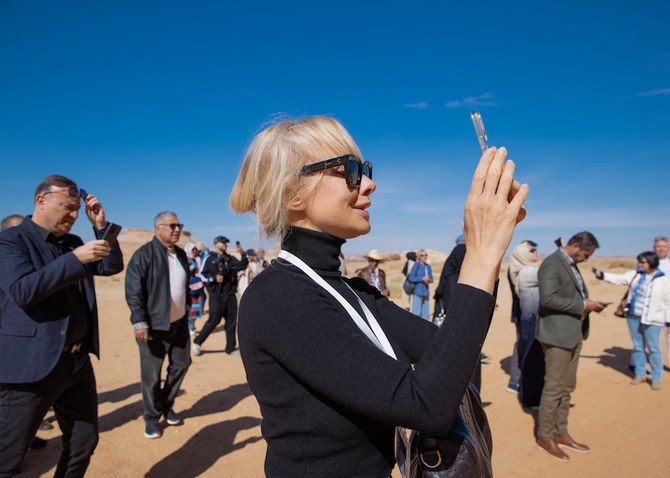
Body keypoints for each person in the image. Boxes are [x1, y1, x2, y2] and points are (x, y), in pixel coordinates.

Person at [229, 115, 527, 476]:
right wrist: (480, 254)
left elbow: (451, 353)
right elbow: (425, 405)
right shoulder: (277, 297)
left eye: (365, 170)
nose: (369, 184)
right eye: (350, 171)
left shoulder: (350, 291)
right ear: (291, 194)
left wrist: (489, 249)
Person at [0, 175, 124, 476]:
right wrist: (75, 260)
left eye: (77, 210)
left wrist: (101, 227)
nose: (73, 215)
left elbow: (111, 266)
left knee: (83, 442)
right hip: (32, 365)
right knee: (8, 457)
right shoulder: (11, 241)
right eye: (67, 207)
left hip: (76, 363)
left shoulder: (72, 243)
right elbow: (22, 291)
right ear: (41, 201)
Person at [535, 231, 608, 461]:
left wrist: (588, 304)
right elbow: (547, 298)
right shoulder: (552, 263)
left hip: (573, 334)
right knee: (554, 388)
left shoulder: (570, 264)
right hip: (557, 337)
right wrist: (583, 305)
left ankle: (560, 431)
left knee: (567, 387)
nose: (587, 258)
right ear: (575, 246)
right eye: (586, 253)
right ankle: (545, 436)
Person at [124, 211, 191, 439]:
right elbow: (133, 290)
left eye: (179, 225)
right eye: (172, 225)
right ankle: (152, 418)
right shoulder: (143, 255)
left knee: (182, 364)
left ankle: (166, 405)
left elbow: (184, 284)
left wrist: (187, 306)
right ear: (157, 229)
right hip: (153, 326)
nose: (177, 229)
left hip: (179, 324)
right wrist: (139, 321)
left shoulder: (180, 254)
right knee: (152, 376)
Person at [592, 251, 669, 390]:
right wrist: (600, 274)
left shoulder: (664, 280)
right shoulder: (635, 275)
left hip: (653, 319)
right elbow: (619, 279)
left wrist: (668, 321)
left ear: (652, 262)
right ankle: (640, 373)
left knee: (653, 348)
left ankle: (656, 377)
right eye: (639, 261)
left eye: (643, 262)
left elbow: (668, 303)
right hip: (633, 316)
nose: (640, 264)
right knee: (638, 346)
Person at [192, 236, 248, 356]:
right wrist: (214, 278)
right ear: (216, 243)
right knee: (214, 320)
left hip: (230, 294)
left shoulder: (230, 259)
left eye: (226, 243)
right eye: (222, 242)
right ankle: (197, 342)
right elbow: (201, 276)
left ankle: (230, 348)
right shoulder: (209, 259)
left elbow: (242, 265)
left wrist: (243, 254)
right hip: (216, 295)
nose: (225, 244)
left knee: (231, 322)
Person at [506, 240, 539, 393]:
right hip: (524, 314)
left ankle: (517, 381)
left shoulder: (517, 267)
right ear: (522, 254)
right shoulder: (525, 271)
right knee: (524, 345)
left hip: (521, 313)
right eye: (532, 250)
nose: (536, 252)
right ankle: (517, 381)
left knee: (523, 344)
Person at [653, 236, 670, 363]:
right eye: (658, 246)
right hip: (651, 305)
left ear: (668, 248)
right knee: (649, 336)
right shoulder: (647, 263)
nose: (661, 249)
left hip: (668, 305)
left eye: (664, 246)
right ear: (654, 248)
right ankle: (637, 364)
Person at [184, 242, 205, 336]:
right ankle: (189, 327)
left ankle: (192, 326)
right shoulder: (185, 260)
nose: (194, 251)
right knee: (190, 307)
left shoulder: (197, 260)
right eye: (193, 250)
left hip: (198, 286)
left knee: (197, 307)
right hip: (189, 287)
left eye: (195, 250)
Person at [408, 249, 433, 320]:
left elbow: (432, 278)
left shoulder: (428, 266)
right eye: (422, 255)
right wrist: (422, 279)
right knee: (416, 314)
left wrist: (429, 280)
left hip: (426, 293)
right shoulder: (416, 265)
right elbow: (411, 277)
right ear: (419, 256)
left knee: (425, 315)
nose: (424, 257)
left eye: (426, 255)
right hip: (417, 292)